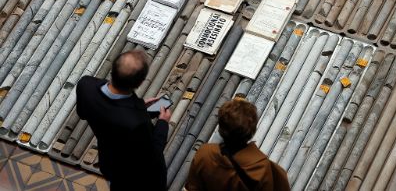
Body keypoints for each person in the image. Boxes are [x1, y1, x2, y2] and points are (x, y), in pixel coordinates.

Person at [76, 50, 171, 191]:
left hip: (111, 164)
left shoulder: (86, 85)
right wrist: (163, 123)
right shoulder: (138, 123)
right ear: (140, 83)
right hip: (140, 177)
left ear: (112, 70)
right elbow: (153, 155)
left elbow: (83, 113)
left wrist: (135, 107)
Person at [185, 98, 290, 191]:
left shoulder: (204, 154)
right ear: (252, 130)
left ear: (221, 128)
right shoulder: (262, 168)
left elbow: (192, 187)